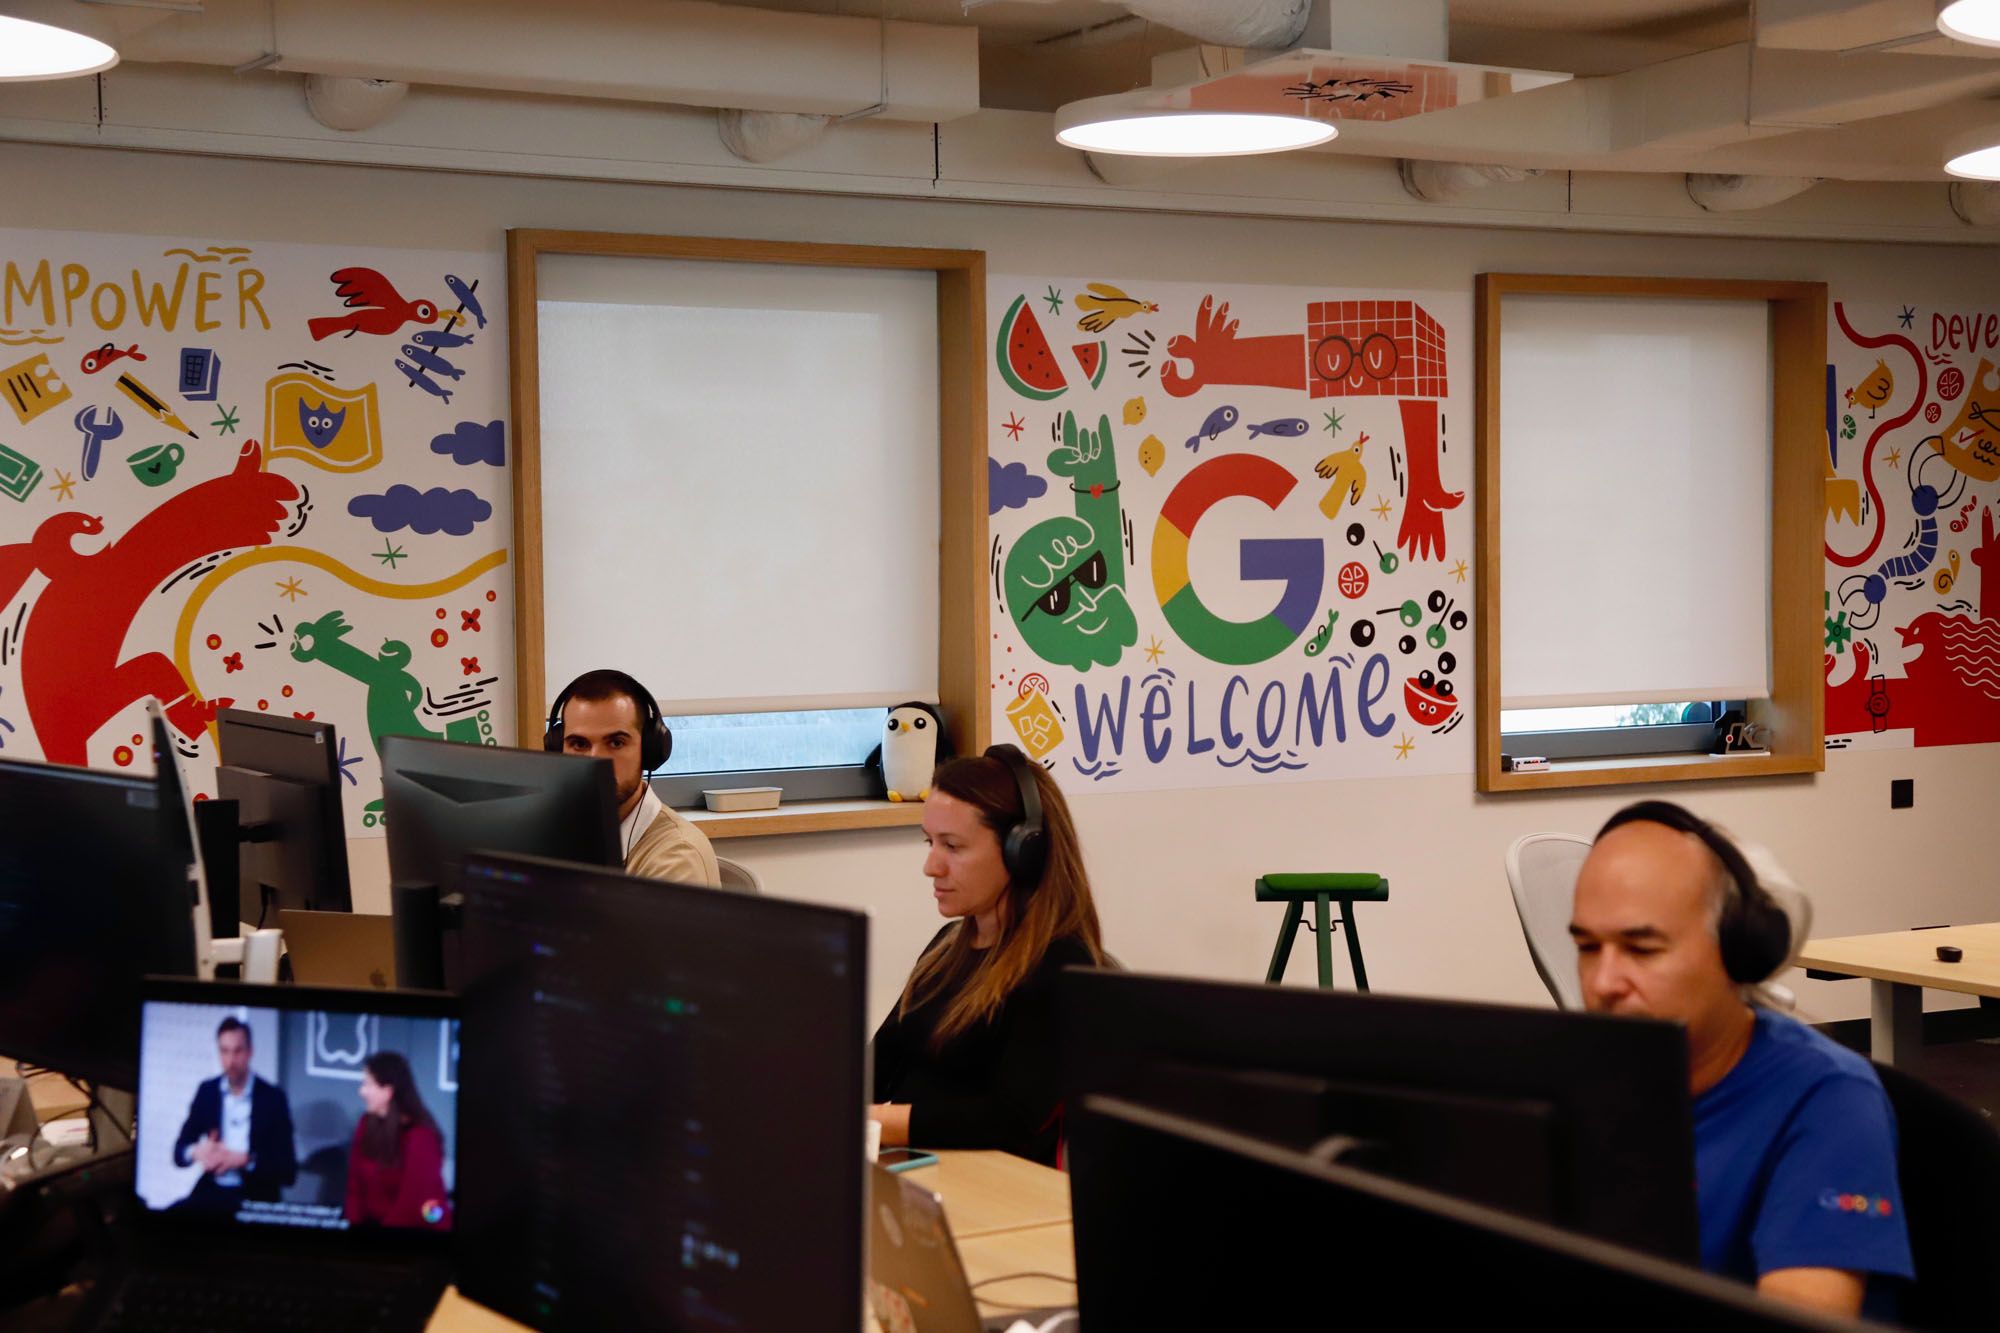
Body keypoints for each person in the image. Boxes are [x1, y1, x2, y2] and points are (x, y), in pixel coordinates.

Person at [1568, 800, 1913, 1319]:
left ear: (1735, 954)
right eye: (1589, 947)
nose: (1602, 983)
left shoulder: (1829, 1101)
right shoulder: (1582, 1081)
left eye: (1641, 950)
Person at [869, 744, 1108, 1165]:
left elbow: (1008, 1120)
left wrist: (875, 1122)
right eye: (930, 842)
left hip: (996, 1191)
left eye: (953, 846)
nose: (931, 865)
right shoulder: (947, 948)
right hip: (913, 1169)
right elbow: (879, 1064)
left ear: (1024, 851)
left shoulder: (1061, 966)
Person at [546, 668, 719, 886]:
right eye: (579, 744)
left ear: (648, 750)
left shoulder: (677, 858)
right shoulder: (561, 831)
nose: (595, 761)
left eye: (616, 743)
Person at [171, 1016, 296, 1213]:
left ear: (250, 1052)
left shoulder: (272, 1098)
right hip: (213, 1189)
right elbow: (178, 1152)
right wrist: (197, 1151)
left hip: (254, 1195)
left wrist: (246, 1160)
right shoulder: (207, 1091)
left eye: (237, 1051)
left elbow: (288, 1171)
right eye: (224, 1051)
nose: (230, 1061)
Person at [343, 1051, 452, 1229]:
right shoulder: (366, 1123)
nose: (361, 1091)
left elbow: (413, 1202)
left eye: (368, 1084)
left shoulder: (421, 1136)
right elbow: (354, 1186)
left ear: (388, 1091)